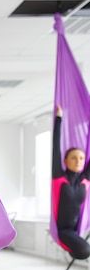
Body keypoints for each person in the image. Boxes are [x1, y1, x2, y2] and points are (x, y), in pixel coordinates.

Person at [52, 104, 90, 260]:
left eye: (81, 158)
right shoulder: (59, 177)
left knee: (83, 251)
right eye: (73, 158)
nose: (78, 161)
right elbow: (56, 147)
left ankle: (72, 250)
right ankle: (71, 249)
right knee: (85, 251)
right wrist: (59, 119)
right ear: (65, 161)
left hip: (76, 229)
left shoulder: (85, 179)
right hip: (62, 231)